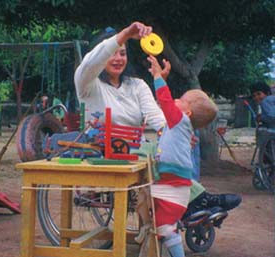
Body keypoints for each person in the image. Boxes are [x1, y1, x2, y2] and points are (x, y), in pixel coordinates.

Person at [74, 21, 241, 226]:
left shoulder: (136, 85)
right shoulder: (87, 83)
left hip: (136, 149)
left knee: (182, 141)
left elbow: (158, 118)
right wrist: (125, 34)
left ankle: (191, 200)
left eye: (123, 53)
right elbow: (91, 63)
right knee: (155, 155)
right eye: (113, 53)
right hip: (103, 150)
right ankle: (198, 200)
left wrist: (177, 135)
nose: (118, 58)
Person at [147, 55, 217, 257]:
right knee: (161, 224)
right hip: (171, 184)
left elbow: (165, 102)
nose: (175, 99)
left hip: (173, 186)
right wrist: (162, 79)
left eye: (181, 99)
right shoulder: (176, 125)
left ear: (186, 114)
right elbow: (163, 105)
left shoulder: (181, 122)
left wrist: (158, 76)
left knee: (165, 227)